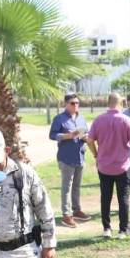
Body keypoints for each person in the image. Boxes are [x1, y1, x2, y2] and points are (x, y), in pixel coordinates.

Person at [87, 92, 130, 238]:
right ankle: (123, 230)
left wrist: (96, 154)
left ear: (108, 102)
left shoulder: (98, 120)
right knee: (123, 198)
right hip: (122, 166)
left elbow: (90, 140)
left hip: (104, 166)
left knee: (105, 197)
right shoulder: (126, 120)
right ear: (121, 103)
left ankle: (106, 229)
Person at [49, 93, 91, 228]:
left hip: (79, 156)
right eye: (73, 103)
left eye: (77, 103)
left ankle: (76, 209)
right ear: (66, 104)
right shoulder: (59, 119)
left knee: (77, 186)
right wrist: (68, 135)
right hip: (66, 157)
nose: (76, 105)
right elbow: (52, 135)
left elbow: (87, 133)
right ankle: (66, 215)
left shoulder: (81, 119)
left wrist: (85, 137)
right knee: (66, 187)